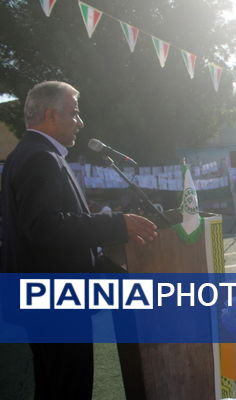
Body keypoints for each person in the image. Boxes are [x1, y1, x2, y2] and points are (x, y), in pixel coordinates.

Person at [0, 81, 158, 399]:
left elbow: (48, 225)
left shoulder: (31, 154)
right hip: (56, 303)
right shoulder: (39, 158)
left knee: (57, 383)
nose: (80, 122)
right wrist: (116, 225)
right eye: (74, 113)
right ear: (50, 115)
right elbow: (45, 229)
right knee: (68, 385)